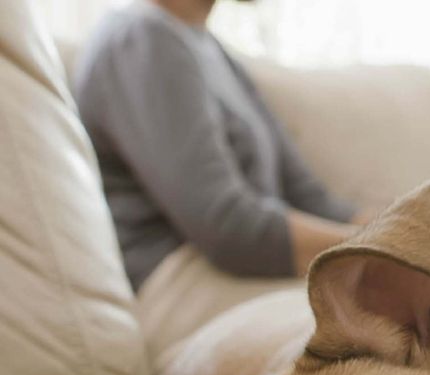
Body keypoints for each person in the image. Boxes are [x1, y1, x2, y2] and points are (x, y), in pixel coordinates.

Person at [73, 0, 373, 356]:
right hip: (179, 285)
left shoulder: (212, 52)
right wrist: (383, 255)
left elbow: (312, 199)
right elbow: (226, 225)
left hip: (238, 276)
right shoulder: (140, 40)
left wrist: (420, 229)